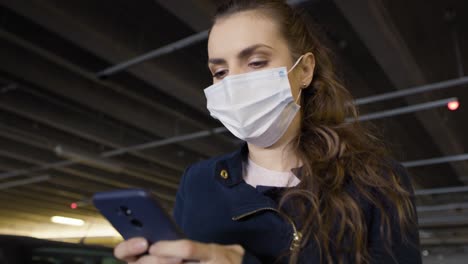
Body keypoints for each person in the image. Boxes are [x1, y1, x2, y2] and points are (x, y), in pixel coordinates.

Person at [114, 0, 422, 263]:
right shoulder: (197, 183)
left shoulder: (376, 182)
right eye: (219, 72)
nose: (233, 83)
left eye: (256, 62)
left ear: (304, 70)